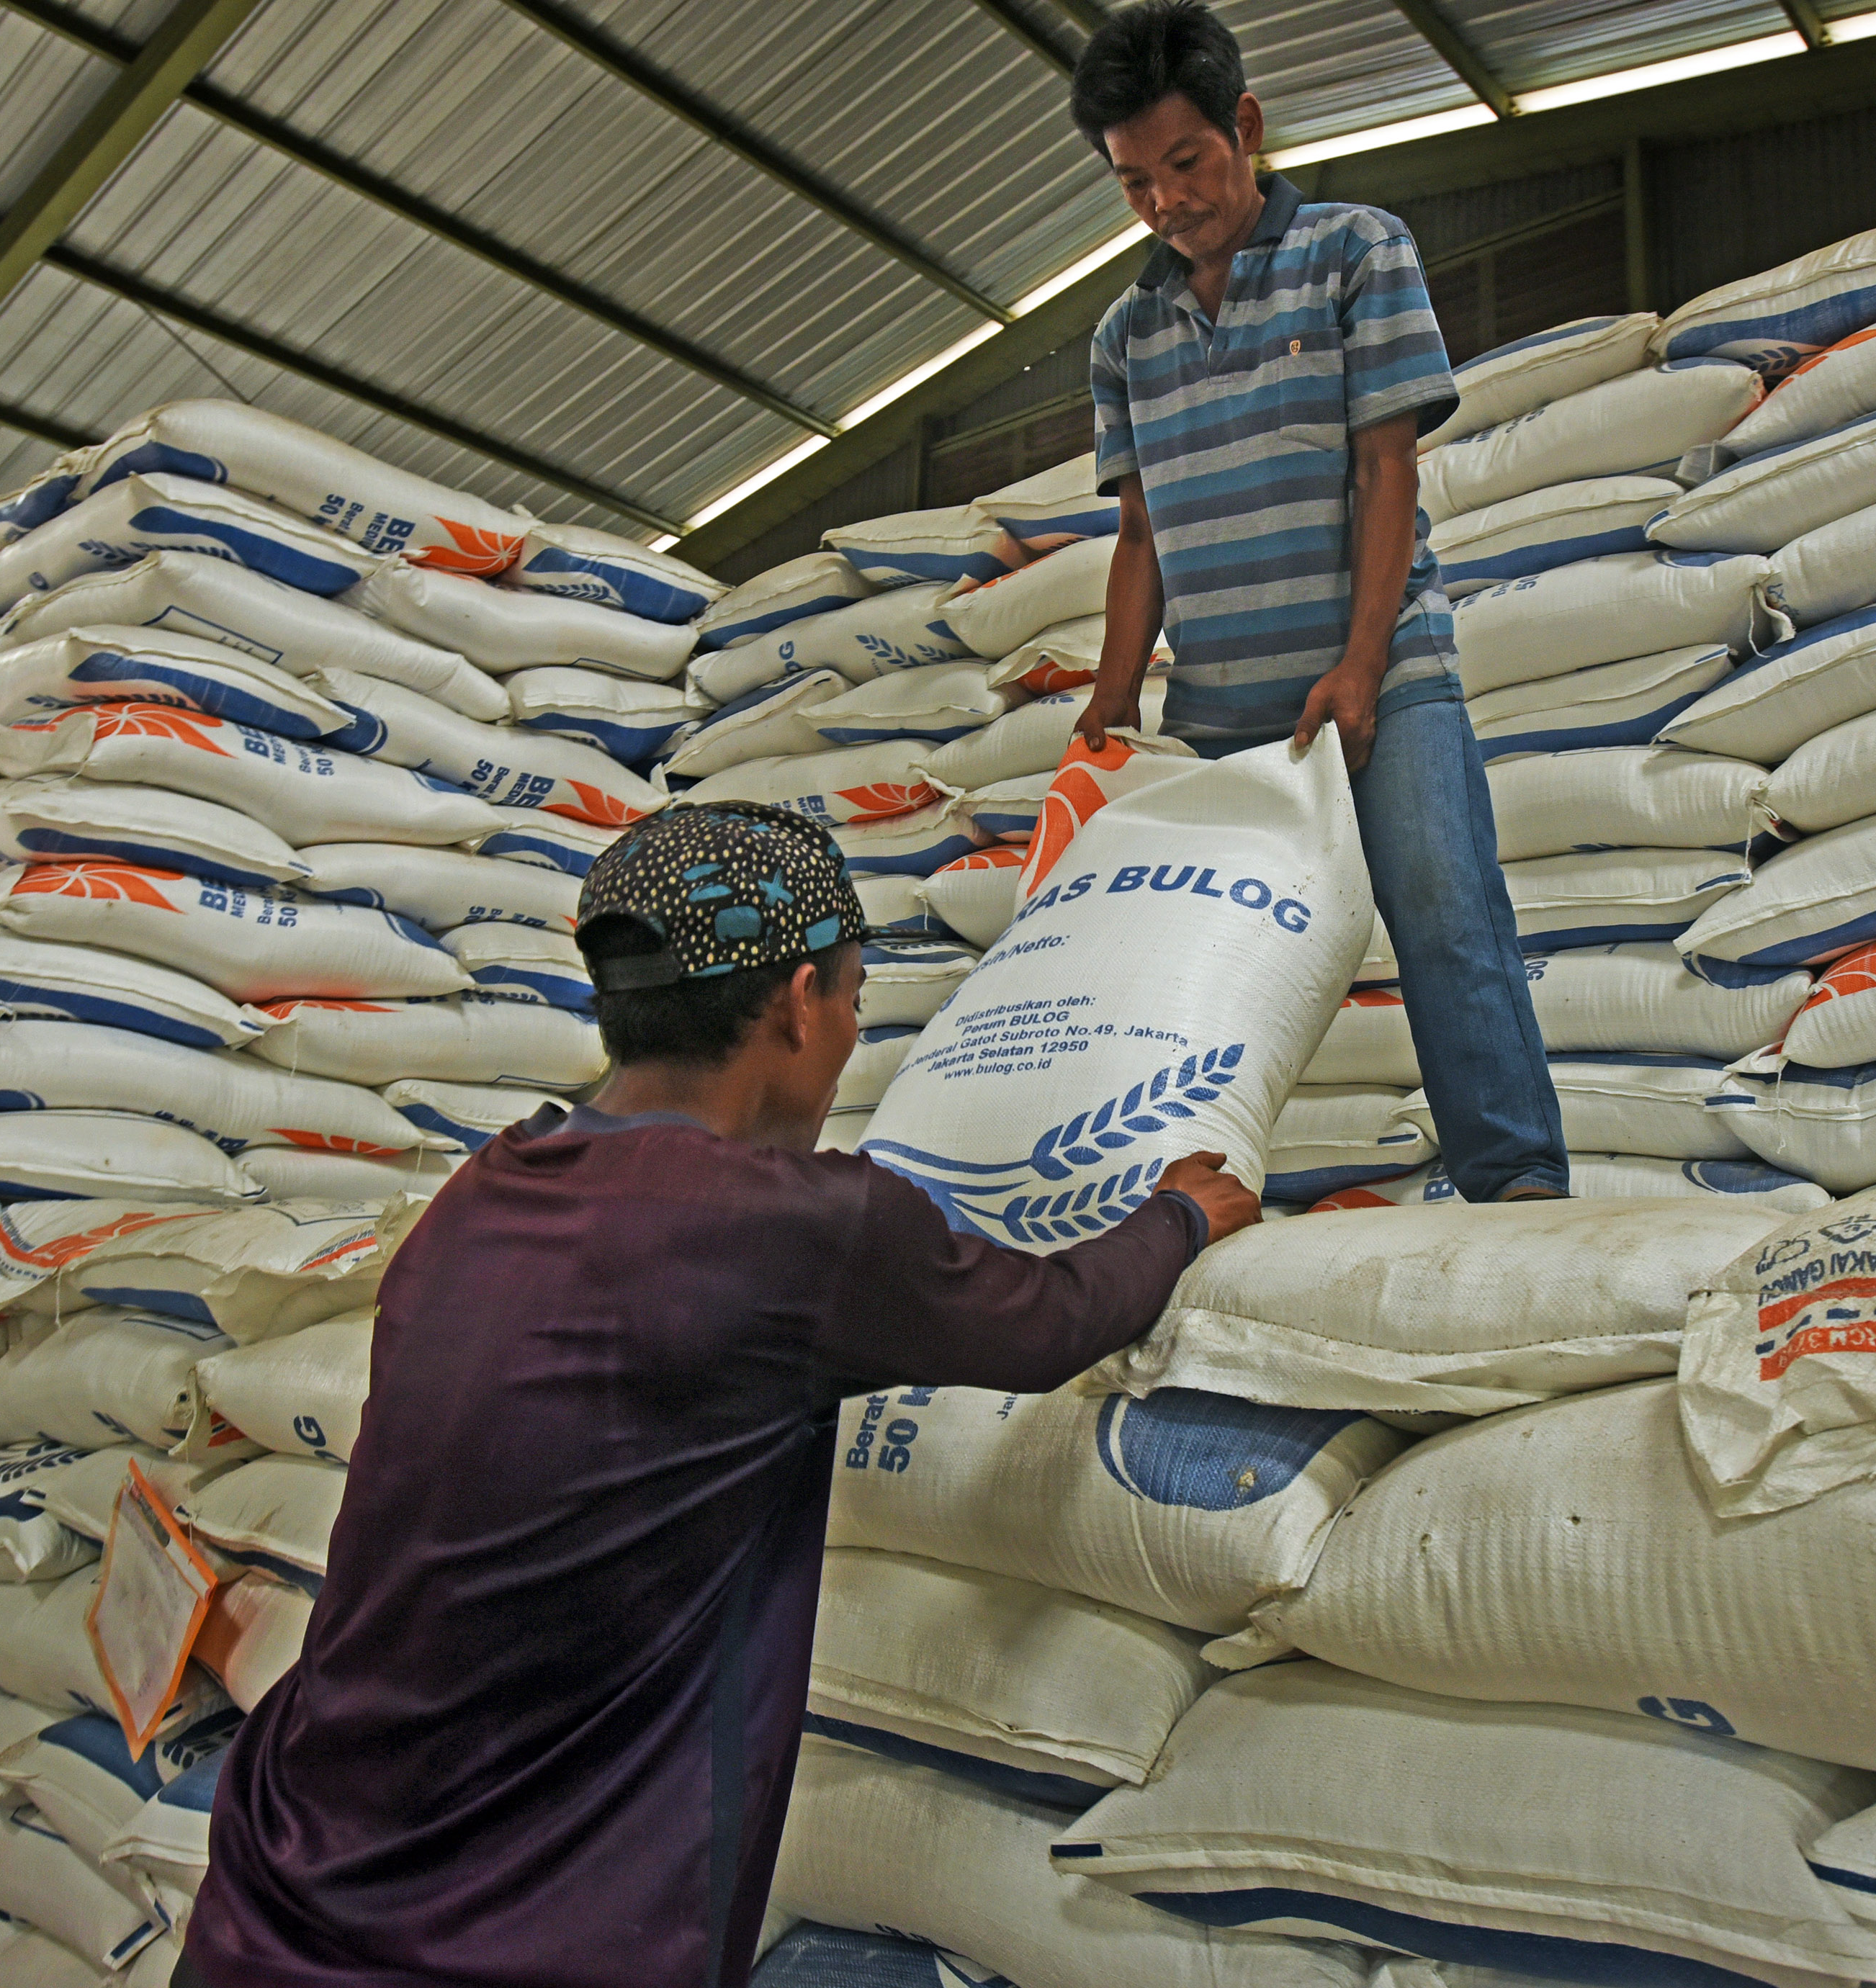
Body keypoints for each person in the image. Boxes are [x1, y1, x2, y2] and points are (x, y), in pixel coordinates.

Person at [181, 802, 1260, 1988]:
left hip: (276, 1890)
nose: (850, 1032)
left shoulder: (478, 1196)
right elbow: (1054, 1319)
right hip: (499, 1939)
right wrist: (1179, 1214)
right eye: (853, 997)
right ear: (799, 1002)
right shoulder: (798, 1228)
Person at [1068, 0, 1569, 1205]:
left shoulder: (1356, 251)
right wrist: (1114, 693)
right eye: (1134, 182)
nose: (1166, 201)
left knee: (1444, 916)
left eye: (1187, 163)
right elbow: (1140, 534)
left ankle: (1518, 1189)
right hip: (1219, 716)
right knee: (1197, 964)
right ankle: (1190, 1199)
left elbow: (1386, 468)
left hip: (1386, 676)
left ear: (1245, 127)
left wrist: (1360, 663)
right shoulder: (1124, 335)